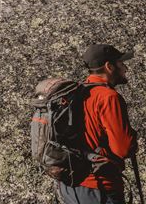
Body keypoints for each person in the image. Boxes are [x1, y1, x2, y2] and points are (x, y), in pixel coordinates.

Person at [56, 43, 138, 204]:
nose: (125, 68)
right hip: (98, 187)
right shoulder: (108, 97)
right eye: (121, 63)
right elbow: (122, 149)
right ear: (109, 66)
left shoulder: (76, 92)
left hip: (70, 186)